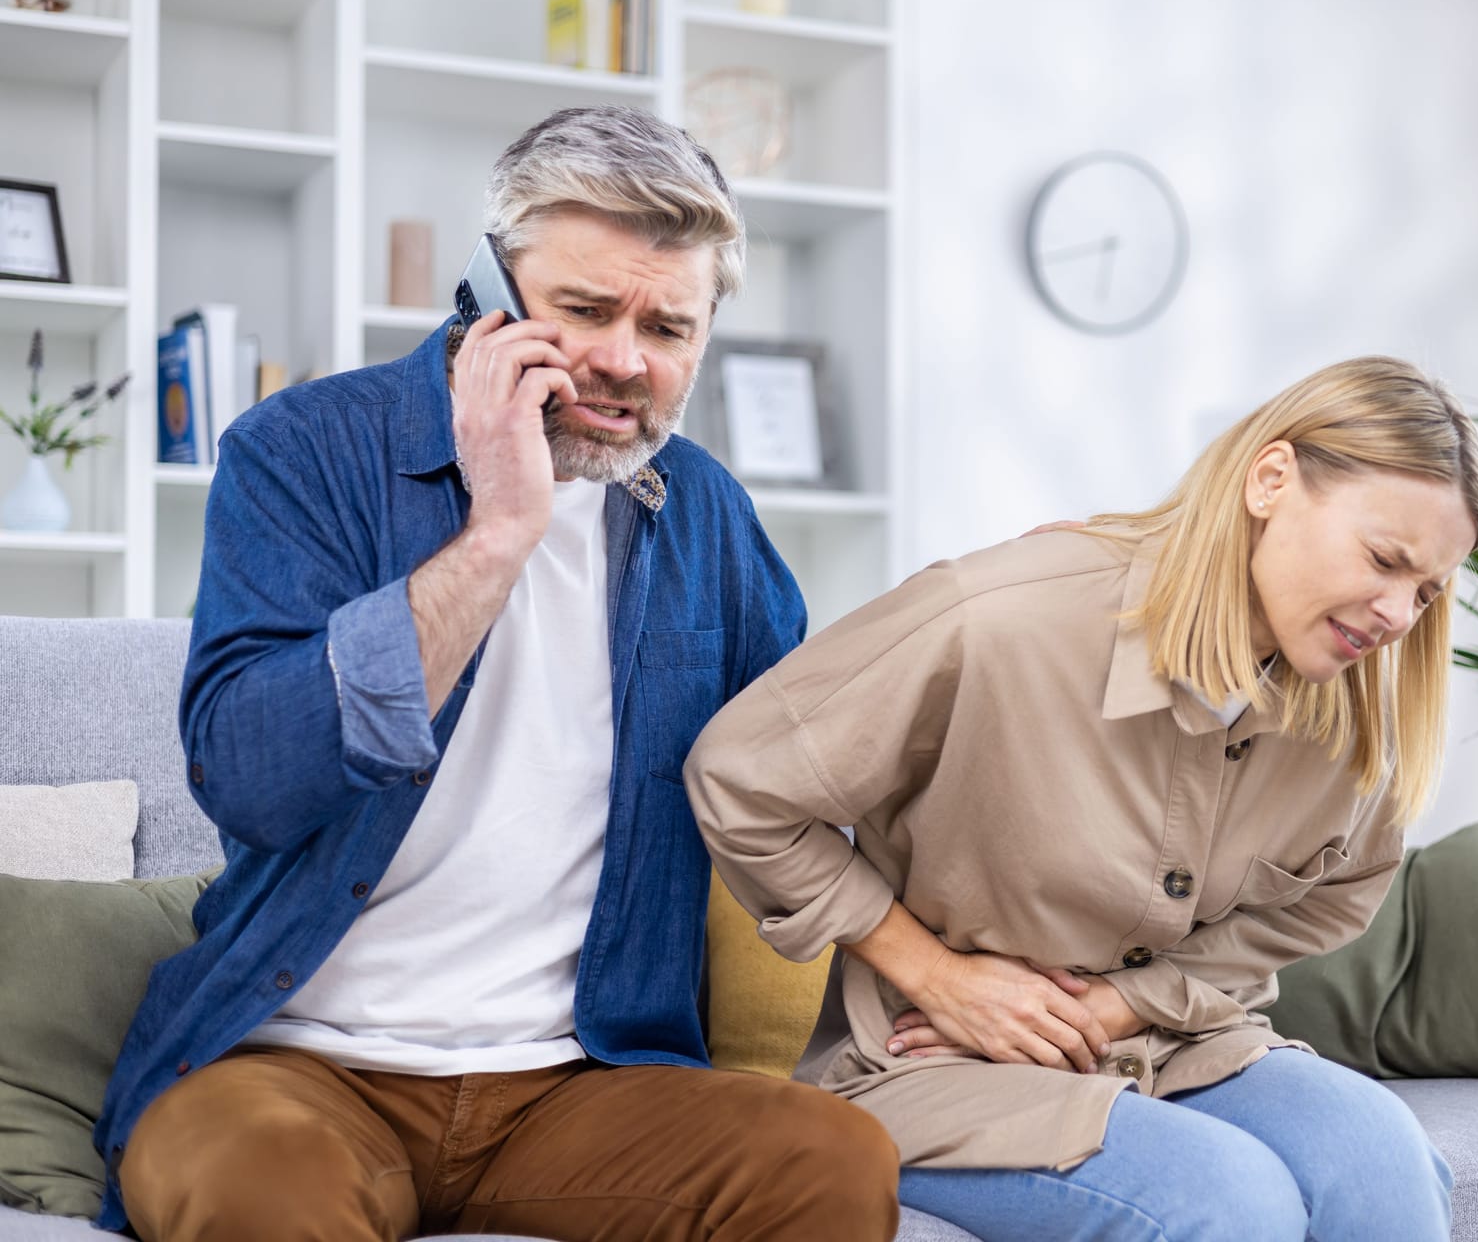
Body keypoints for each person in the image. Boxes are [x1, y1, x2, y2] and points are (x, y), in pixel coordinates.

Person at [95, 106, 900, 1242]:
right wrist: (500, 531)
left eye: (667, 326)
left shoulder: (707, 514)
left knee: (828, 1156)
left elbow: (814, 772)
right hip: (297, 1064)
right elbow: (248, 773)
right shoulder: (306, 452)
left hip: (581, 1083)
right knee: (257, 1192)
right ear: (488, 295)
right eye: (584, 310)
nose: (625, 358)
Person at [686, 356, 1478, 1241]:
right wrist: (937, 975)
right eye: (1384, 560)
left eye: (1427, 591)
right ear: (1271, 480)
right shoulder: (1000, 616)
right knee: (1230, 1202)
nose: (1398, 615)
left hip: (1174, 1044)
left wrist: (1128, 1003)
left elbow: (1329, 902)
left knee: (1383, 1161)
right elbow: (740, 776)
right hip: (931, 1063)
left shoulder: (1346, 704)